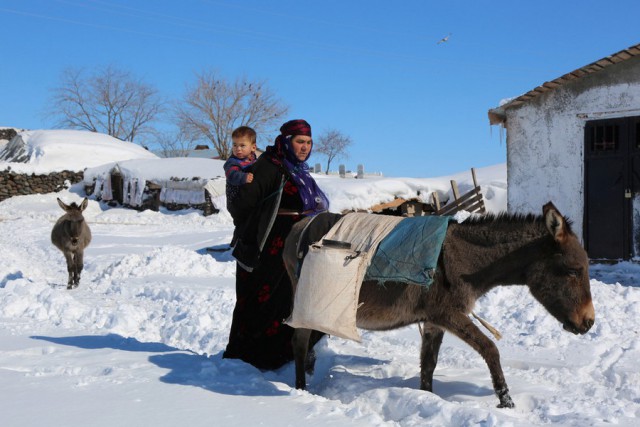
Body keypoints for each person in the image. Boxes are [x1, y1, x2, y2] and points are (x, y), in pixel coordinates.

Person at [224, 119, 329, 370]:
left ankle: (288, 353)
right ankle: (257, 359)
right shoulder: (270, 166)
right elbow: (242, 206)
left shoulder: (299, 171)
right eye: (299, 141)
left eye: (308, 142)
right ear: (286, 141)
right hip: (268, 248)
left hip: (296, 245)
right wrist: (258, 228)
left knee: (292, 299)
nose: (304, 147)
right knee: (266, 301)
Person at [223, 126, 258, 223]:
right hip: (235, 200)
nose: (238, 149)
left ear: (253, 147)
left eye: (242, 145)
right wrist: (243, 177)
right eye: (235, 145)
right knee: (243, 223)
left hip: (249, 198)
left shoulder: (254, 160)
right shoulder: (232, 162)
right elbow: (231, 175)